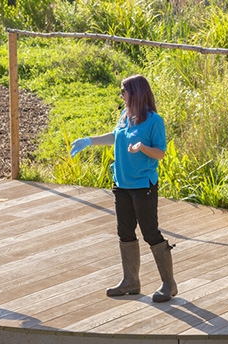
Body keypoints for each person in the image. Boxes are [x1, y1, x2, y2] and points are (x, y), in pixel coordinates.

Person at [70, 74, 177, 303]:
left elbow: (160, 152)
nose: (121, 95)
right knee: (125, 232)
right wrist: (89, 141)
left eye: (123, 91)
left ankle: (169, 285)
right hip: (121, 184)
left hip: (143, 186)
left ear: (136, 93)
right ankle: (131, 281)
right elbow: (115, 137)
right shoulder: (125, 116)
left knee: (150, 233)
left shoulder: (154, 121)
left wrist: (143, 148)